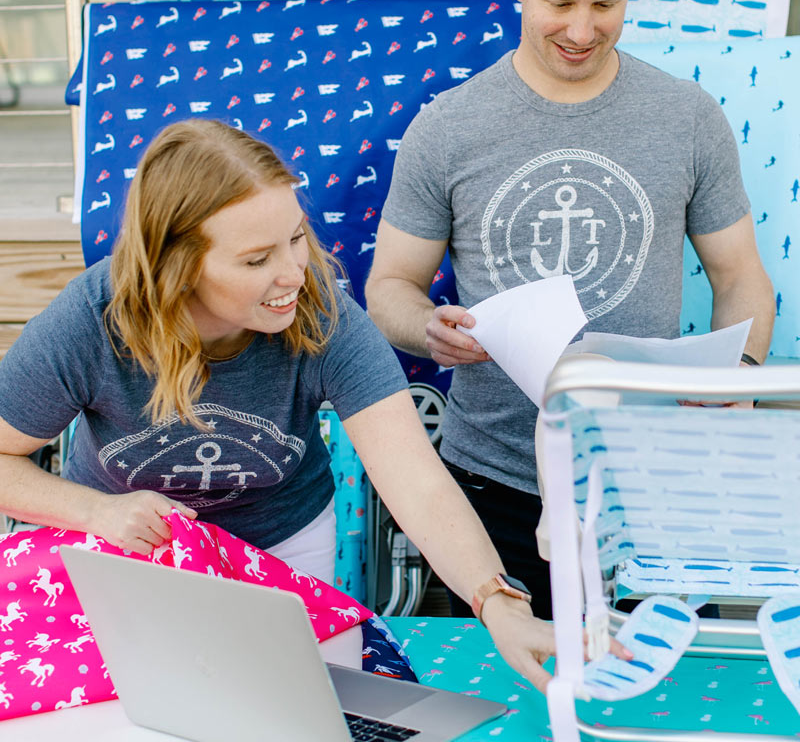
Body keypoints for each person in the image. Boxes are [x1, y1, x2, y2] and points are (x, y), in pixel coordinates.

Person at [0, 118, 605, 693]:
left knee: (292, 710)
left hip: (280, 546)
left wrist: (496, 601)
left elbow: (416, 481)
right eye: (258, 259)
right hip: (121, 549)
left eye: (296, 239)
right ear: (177, 269)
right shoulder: (89, 321)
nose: (294, 272)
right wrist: (98, 513)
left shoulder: (321, 313)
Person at [365, 0, 775, 620]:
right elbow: (390, 284)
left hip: (652, 482)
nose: (582, 29)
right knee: (504, 713)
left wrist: (738, 377)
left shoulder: (687, 117)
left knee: (663, 702)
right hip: (491, 490)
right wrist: (426, 326)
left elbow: (741, 275)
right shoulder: (447, 127)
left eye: (604, 5)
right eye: (559, 3)